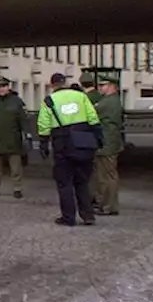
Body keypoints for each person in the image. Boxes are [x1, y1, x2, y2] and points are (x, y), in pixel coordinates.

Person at [36, 72, 103, 227]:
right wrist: (98, 138)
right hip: (83, 141)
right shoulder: (80, 96)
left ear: (52, 85)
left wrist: (43, 144)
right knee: (82, 181)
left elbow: (44, 125)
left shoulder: (49, 100)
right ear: (65, 83)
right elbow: (93, 117)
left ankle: (68, 217)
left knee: (64, 183)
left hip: (62, 143)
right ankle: (88, 215)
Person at [92, 75, 124, 216]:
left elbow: (91, 113)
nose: (100, 88)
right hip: (110, 141)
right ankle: (107, 204)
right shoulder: (112, 100)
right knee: (108, 175)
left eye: (102, 85)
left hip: (106, 143)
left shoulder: (107, 102)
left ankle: (107, 206)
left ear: (111, 86)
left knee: (106, 176)